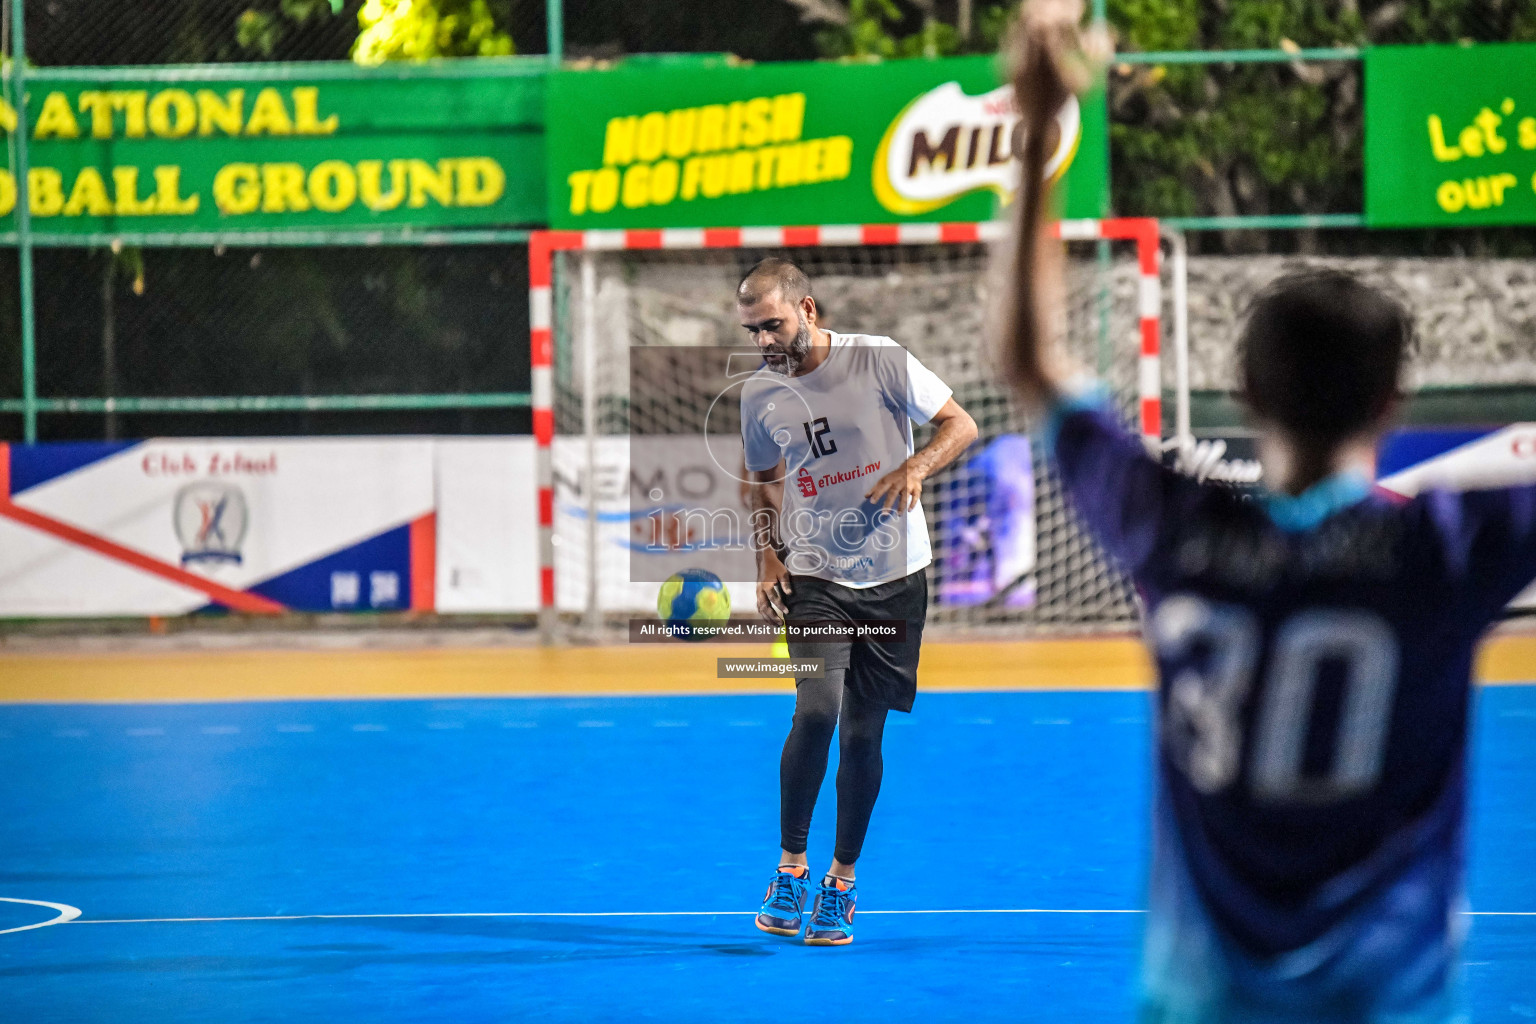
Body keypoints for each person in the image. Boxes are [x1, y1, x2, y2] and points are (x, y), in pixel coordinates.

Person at [1002, 2, 1529, 1018]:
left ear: (1243, 391)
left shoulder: (1179, 530)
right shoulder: (1445, 548)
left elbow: (1033, 360)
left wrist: (1039, 132)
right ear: (1393, 403)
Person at [738, 256, 977, 945]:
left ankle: (840, 883)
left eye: (773, 325)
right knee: (816, 709)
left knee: (864, 734)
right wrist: (766, 554)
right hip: (816, 577)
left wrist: (915, 466)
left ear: (807, 310)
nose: (764, 341)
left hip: (897, 579)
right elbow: (761, 482)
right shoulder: (760, 394)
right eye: (753, 330)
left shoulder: (882, 361)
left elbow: (960, 425)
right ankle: (789, 869)